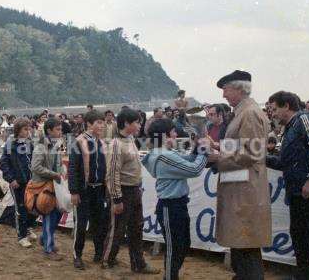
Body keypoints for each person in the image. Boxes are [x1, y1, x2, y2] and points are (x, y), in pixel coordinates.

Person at [211, 70, 271, 280]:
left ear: (238, 88)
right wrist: (217, 146)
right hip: (240, 189)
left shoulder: (250, 113)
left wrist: (217, 158)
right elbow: (240, 146)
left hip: (245, 193)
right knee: (241, 248)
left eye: (225, 90)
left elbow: (251, 153)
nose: (224, 95)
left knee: (247, 250)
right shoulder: (243, 112)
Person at [142, 119, 208, 280]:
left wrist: (197, 149)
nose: (176, 135)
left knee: (182, 245)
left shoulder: (161, 153)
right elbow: (195, 169)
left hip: (174, 205)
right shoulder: (164, 155)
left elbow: (187, 161)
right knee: (175, 248)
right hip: (170, 207)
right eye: (173, 132)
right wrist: (203, 150)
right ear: (164, 135)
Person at [266, 91, 309, 279]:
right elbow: (283, 162)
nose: (272, 114)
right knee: (299, 237)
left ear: (286, 106)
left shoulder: (305, 119)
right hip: (297, 194)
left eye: (274, 109)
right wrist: (259, 158)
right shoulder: (289, 129)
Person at [102, 108, 160, 274]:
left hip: (134, 190)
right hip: (123, 192)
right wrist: (117, 199)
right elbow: (112, 175)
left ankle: (138, 263)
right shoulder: (116, 144)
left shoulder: (131, 140)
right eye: (136, 122)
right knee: (117, 230)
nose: (139, 124)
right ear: (126, 123)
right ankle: (107, 261)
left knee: (136, 228)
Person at [69, 110, 108, 270]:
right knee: (81, 224)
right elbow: (73, 168)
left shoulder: (101, 142)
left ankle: (99, 253)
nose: (102, 125)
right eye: (98, 122)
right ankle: (77, 256)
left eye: (102, 122)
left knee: (99, 224)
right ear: (89, 124)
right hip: (84, 191)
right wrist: (74, 191)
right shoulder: (79, 142)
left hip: (99, 190)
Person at [0, 117, 38, 248]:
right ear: (18, 130)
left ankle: (27, 228)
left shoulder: (30, 143)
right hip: (18, 183)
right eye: (25, 129)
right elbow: (3, 163)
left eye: (29, 129)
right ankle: (21, 235)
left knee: (33, 207)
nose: (28, 131)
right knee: (21, 209)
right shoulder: (10, 144)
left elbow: (34, 160)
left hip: (31, 182)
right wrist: (11, 179)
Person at [31, 117, 64, 261]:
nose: (60, 131)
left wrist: (61, 170)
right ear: (49, 131)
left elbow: (58, 162)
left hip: (53, 186)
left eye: (60, 129)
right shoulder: (40, 147)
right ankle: (48, 249)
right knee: (50, 215)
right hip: (45, 187)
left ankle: (45, 239)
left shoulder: (54, 145)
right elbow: (36, 167)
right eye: (58, 129)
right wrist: (54, 174)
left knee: (55, 215)